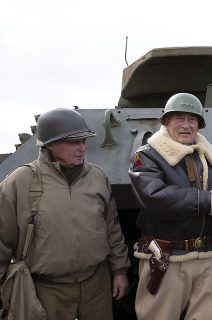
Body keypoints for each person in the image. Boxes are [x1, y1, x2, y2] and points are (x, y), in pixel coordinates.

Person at [0, 108, 130, 319]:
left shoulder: (97, 177)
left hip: (95, 285)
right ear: (50, 144)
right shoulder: (19, 182)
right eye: (73, 142)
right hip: (46, 290)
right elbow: (2, 239)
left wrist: (120, 271)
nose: (82, 148)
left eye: (84, 141)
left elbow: (111, 228)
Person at [129, 93, 212, 320]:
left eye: (192, 120)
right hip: (167, 258)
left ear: (199, 125)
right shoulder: (147, 157)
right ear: (166, 122)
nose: (186, 125)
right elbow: (154, 197)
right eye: (178, 118)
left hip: (208, 259)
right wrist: (207, 200)